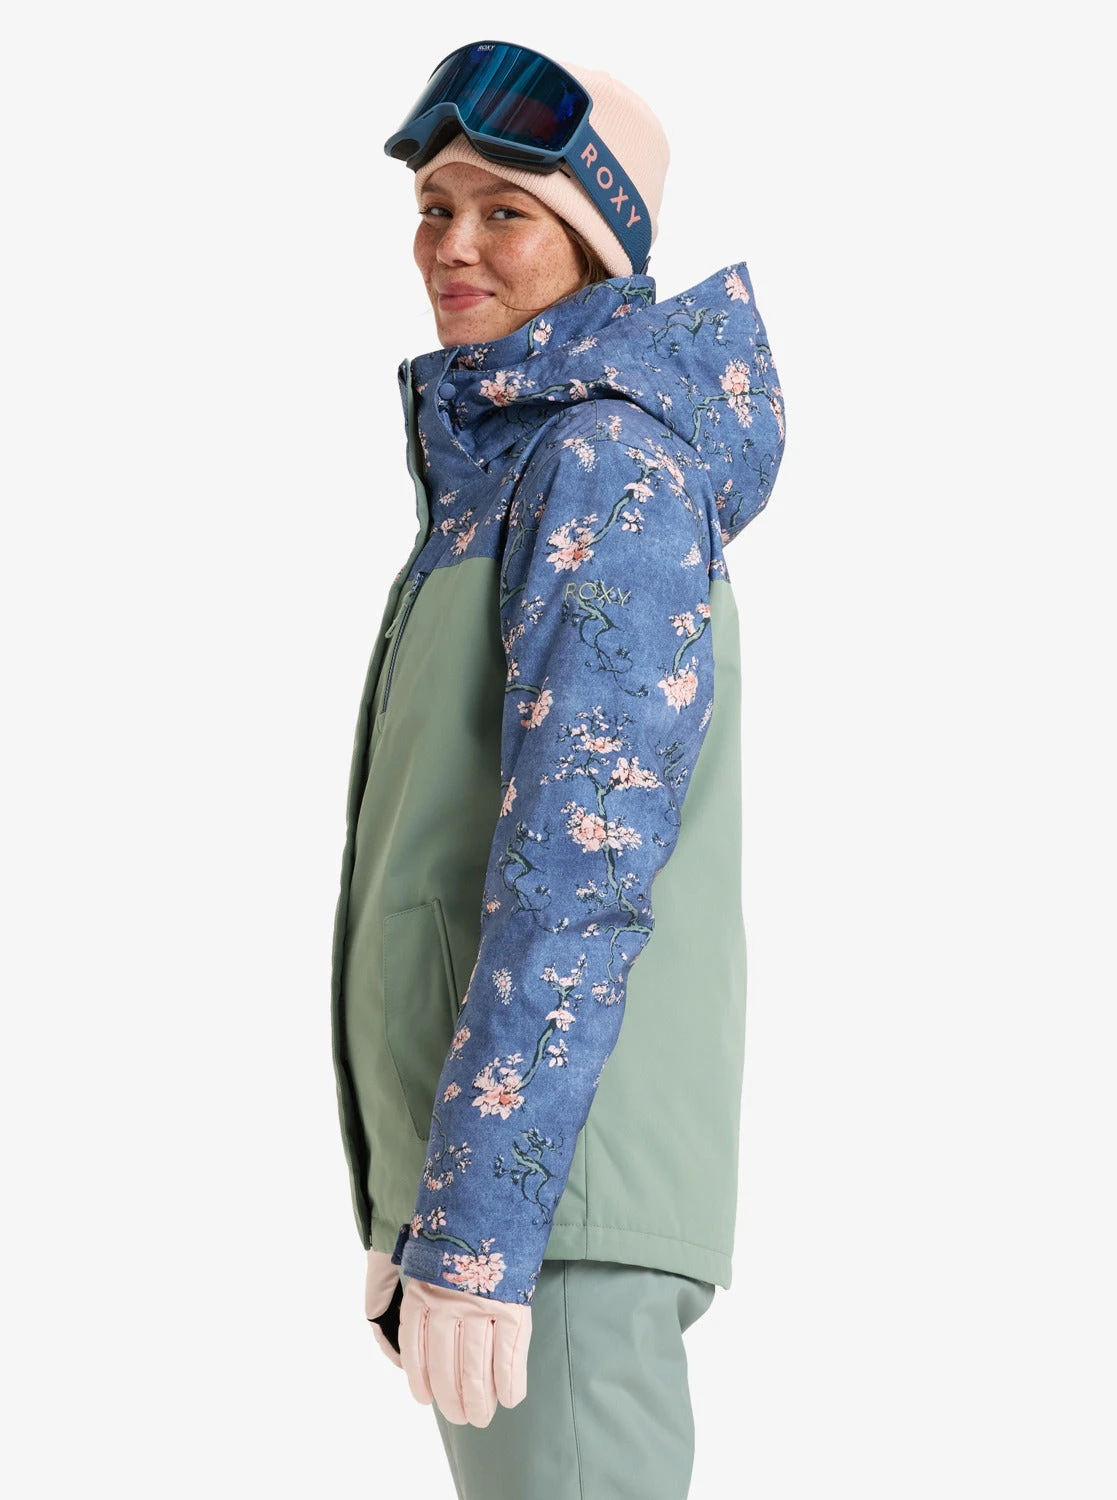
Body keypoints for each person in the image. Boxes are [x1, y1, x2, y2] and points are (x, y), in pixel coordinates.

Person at [330, 39, 786, 1499]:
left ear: (596, 243)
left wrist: (476, 1219)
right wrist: (421, 1201)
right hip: (520, 1188)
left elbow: (577, 872)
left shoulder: (603, 468)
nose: (451, 245)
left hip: (552, 1190)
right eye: (434, 208)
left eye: (505, 211)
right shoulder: (504, 479)